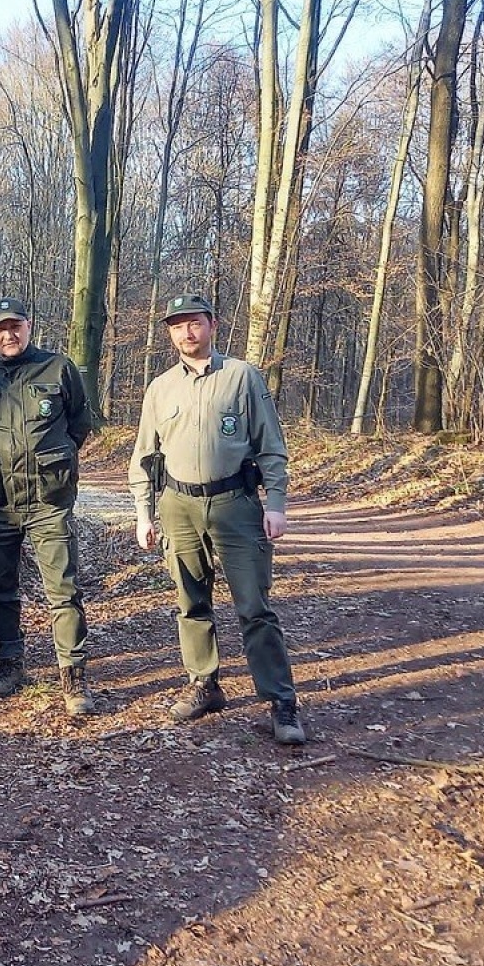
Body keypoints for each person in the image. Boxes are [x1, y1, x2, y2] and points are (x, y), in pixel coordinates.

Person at [128, 292, 306, 746]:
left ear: (212, 324)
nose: (187, 332)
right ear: (169, 333)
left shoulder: (242, 378)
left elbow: (270, 446)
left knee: (254, 607)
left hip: (235, 505)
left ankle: (280, 700)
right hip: (178, 506)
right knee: (191, 602)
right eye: (177, 325)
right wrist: (144, 514)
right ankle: (203, 683)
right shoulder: (160, 388)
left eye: (195, 323)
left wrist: (276, 503)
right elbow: (144, 457)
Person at [0, 297, 96, 717]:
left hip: (48, 500)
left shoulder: (58, 369)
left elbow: (80, 422)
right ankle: (10, 663)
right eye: (0, 328)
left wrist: (58, 457)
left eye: (16, 325)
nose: (9, 334)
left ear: (29, 326)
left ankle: (73, 677)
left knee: (63, 589)